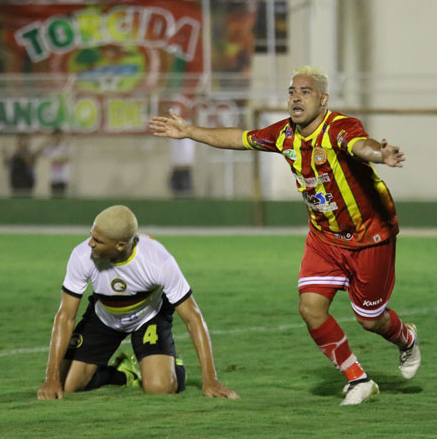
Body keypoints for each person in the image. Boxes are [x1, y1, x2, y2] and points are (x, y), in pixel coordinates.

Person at [149, 65, 420, 406]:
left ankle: (406, 338)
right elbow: (238, 138)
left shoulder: (340, 127)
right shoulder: (284, 134)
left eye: (305, 91)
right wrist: (189, 131)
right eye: (292, 91)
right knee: (310, 309)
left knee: (370, 319)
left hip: (369, 236)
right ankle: (357, 379)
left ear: (323, 99)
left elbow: (358, 145)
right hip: (324, 238)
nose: (296, 97)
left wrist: (380, 154)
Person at [37, 205, 238, 400]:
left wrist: (210, 380)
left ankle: (170, 364)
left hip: (148, 317)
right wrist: (51, 378)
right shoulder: (82, 256)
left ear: (120, 245)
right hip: (105, 316)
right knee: (66, 385)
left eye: (97, 240)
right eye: (91, 235)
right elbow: (65, 317)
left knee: (160, 388)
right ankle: (122, 374)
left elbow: (193, 318)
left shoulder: (158, 260)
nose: (90, 243)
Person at [2, 133, 40, 197]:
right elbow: (6, 165)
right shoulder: (14, 154)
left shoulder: (30, 153)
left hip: (27, 182)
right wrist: (5, 155)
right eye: (20, 140)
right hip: (15, 182)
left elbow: (30, 162)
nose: (22, 143)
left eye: (24, 140)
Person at [39, 128, 71, 197]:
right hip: (53, 179)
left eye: (59, 136)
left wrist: (56, 159)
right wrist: (45, 143)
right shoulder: (50, 148)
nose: (58, 138)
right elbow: (40, 153)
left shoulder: (65, 147)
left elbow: (66, 158)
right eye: (56, 136)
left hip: (63, 178)